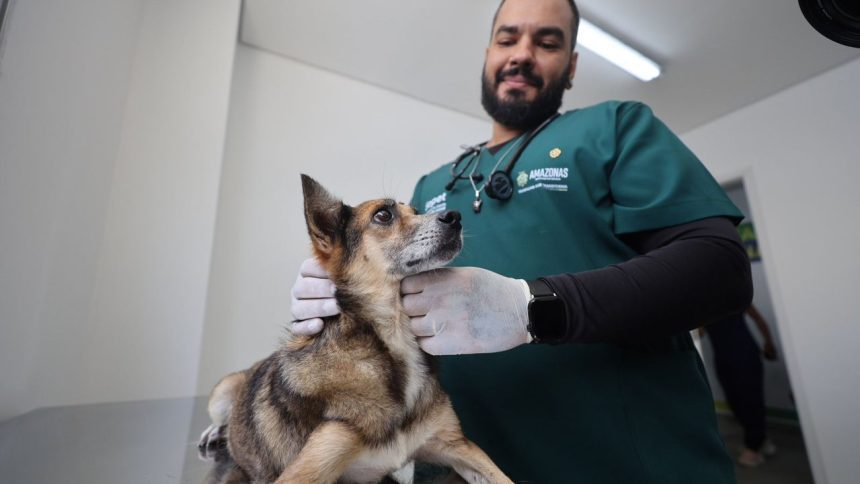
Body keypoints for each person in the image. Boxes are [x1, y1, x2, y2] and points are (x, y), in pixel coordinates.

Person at [290, 0, 752, 481]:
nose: (522, 54)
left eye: (547, 42)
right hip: (463, 466)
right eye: (508, 39)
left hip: (629, 465)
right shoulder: (431, 188)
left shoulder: (614, 128)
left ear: (571, 65)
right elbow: (397, 319)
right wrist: (338, 298)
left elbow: (721, 269)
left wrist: (531, 306)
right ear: (489, 53)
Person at [702, 305, 779, 468]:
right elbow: (699, 333)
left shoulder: (734, 295)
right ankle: (761, 440)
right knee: (735, 401)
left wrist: (769, 343)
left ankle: (753, 447)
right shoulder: (700, 306)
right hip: (723, 359)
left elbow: (758, 319)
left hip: (745, 354)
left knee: (751, 399)